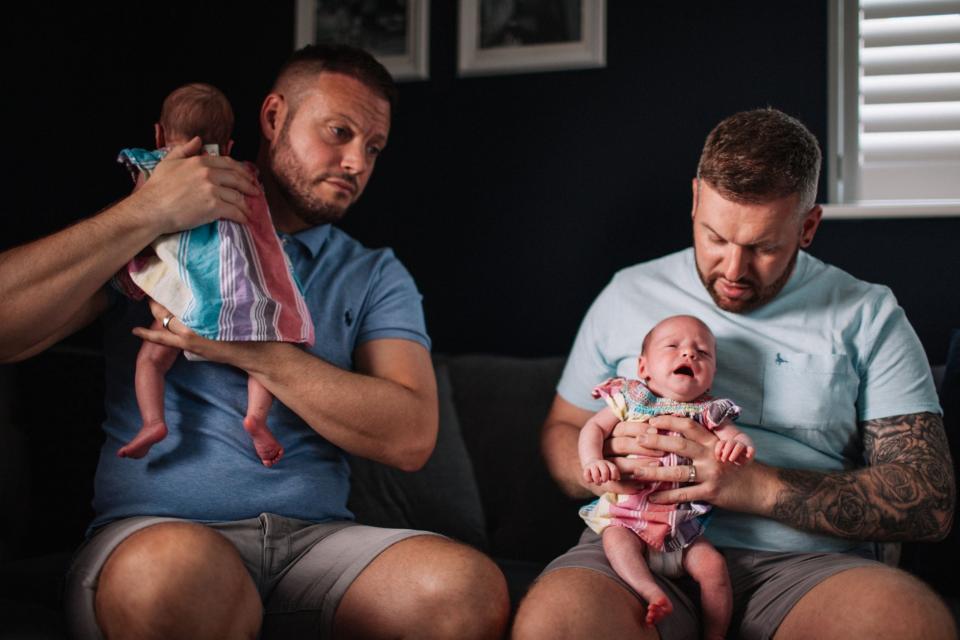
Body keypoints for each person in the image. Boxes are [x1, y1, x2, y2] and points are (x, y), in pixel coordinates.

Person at [0, 44, 508, 639]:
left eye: (373, 148)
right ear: (273, 118)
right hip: (164, 532)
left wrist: (243, 346)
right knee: (176, 582)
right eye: (339, 133)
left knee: (463, 590)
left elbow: (410, 436)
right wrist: (147, 213)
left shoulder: (372, 273)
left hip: (320, 543)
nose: (356, 163)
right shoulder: (166, 237)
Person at [512, 108, 956, 640]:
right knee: (556, 628)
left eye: (764, 248)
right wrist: (605, 462)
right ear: (696, 199)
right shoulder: (626, 292)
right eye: (716, 237)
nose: (734, 270)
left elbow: (928, 500)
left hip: (807, 570)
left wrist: (752, 487)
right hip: (638, 544)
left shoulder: (867, 314)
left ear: (808, 226)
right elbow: (562, 428)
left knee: (907, 626)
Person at [115, 82, 312, 467]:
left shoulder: (153, 167)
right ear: (230, 146)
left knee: (151, 360)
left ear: (158, 134)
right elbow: (261, 231)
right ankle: (256, 417)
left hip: (186, 295)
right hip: (241, 292)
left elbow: (135, 225)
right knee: (267, 357)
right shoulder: (243, 174)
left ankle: (153, 423)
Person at [578, 314, 753, 638]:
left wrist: (739, 447)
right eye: (673, 346)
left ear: (711, 376)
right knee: (615, 540)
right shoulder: (632, 399)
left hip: (682, 529)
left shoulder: (708, 410)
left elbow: (737, 436)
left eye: (702, 353)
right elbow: (593, 428)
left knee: (714, 568)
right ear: (643, 368)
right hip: (629, 517)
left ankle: (715, 634)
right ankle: (648, 591)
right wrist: (592, 460)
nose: (689, 355)